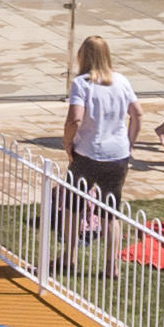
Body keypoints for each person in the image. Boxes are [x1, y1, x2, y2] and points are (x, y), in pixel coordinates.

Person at [61, 34, 136, 218]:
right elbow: (138, 113)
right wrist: (129, 143)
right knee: (110, 213)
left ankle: (70, 248)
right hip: (118, 154)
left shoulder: (82, 83)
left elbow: (75, 120)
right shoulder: (122, 81)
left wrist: (67, 142)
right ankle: (112, 248)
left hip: (88, 152)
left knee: (73, 206)